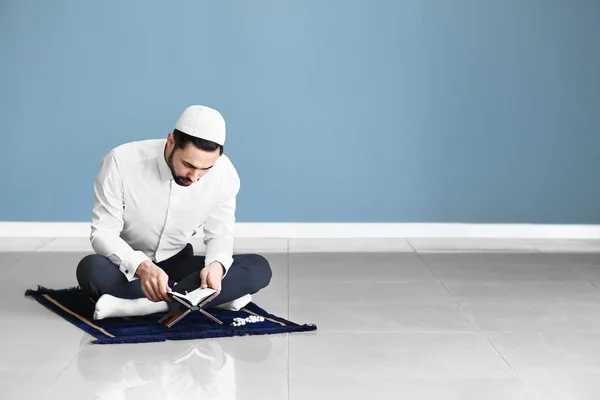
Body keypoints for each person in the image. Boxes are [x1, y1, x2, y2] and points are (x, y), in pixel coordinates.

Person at [76, 105, 272, 320]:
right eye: (188, 164)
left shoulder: (225, 174)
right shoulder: (120, 161)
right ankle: (209, 299)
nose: (195, 176)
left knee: (258, 267)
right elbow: (103, 233)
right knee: (91, 269)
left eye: (205, 169)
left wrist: (216, 265)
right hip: (129, 266)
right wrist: (142, 267)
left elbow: (220, 234)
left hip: (177, 260)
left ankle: (149, 305)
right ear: (171, 141)